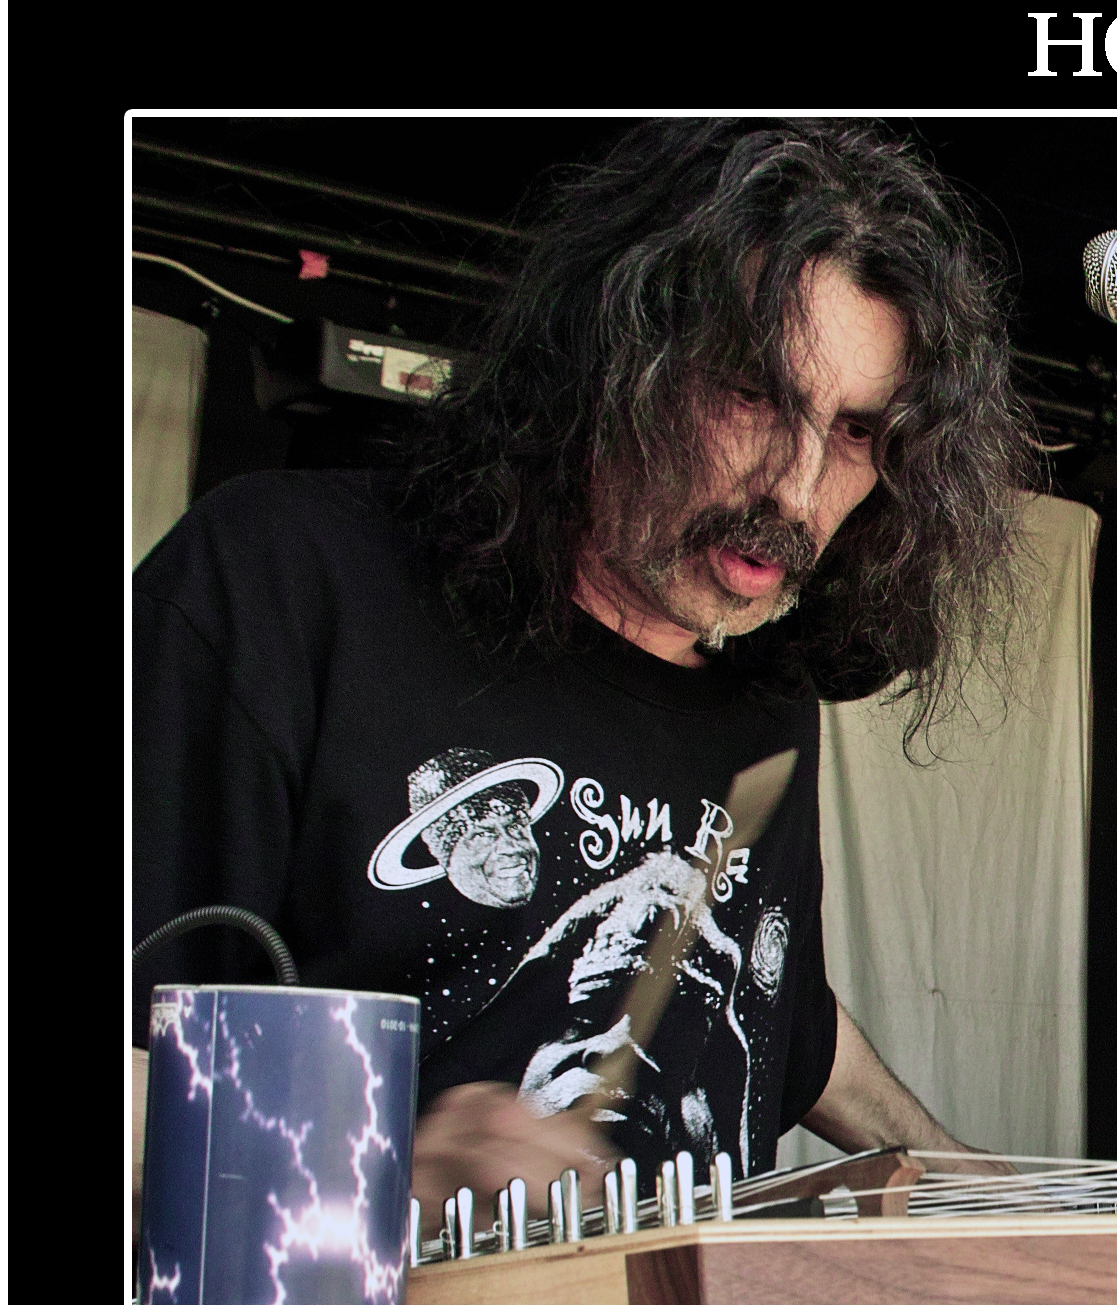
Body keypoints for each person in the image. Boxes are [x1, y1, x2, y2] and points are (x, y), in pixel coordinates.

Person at [134, 120, 1037, 1222]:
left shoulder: (764, 709)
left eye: (855, 432)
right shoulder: (280, 581)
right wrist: (384, 1164)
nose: (795, 492)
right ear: (614, 357)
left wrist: (966, 1176)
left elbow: (780, 1009)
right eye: (752, 393)